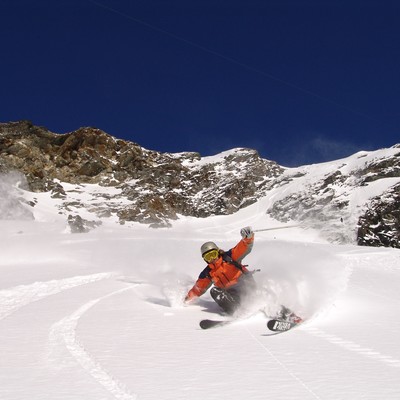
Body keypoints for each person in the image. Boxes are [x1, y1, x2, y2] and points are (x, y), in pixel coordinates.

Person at [184, 226, 257, 315]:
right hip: (232, 293)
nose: (212, 258)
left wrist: (247, 238)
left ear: (218, 252)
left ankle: (261, 302)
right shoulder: (208, 273)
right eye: (208, 257)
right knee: (215, 291)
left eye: (213, 254)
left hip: (244, 284)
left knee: (251, 294)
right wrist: (186, 299)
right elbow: (198, 289)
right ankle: (233, 309)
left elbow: (242, 247)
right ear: (205, 259)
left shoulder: (229, 257)